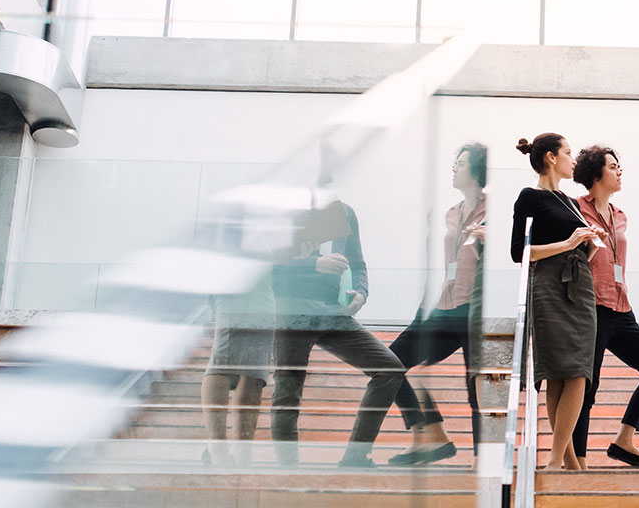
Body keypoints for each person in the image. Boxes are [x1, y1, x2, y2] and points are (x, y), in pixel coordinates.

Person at [268, 200, 409, 469]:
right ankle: (288, 473)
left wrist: (361, 293)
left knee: (390, 369)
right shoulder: (288, 209)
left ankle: (356, 457)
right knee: (287, 393)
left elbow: (358, 263)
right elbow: (271, 265)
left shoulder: (345, 212)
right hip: (292, 310)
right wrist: (314, 263)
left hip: (334, 312)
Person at [384, 143, 489, 466]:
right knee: (388, 363)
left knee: (477, 385)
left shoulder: (495, 211)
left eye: (460, 164)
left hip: (474, 310)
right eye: (454, 163)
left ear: (476, 171)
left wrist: (490, 240)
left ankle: (482, 457)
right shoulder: (451, 213)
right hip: (442, 307)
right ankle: (431, 435)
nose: (454, 169)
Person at [510, 133, 604, 471]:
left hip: (580, 284)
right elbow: (519, 252)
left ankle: (564, 461)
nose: (572, 159)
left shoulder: (570, 201)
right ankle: (558, 460)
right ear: (551, 157)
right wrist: (568, 243)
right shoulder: (529, 196)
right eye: (567, 152)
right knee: (557, 373)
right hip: (548, 283)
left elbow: (578, 247)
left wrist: (590, 242)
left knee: (578, 371)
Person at [570, 146, 639, 467]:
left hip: (621, 308)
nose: (619, 171)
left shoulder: (620, 215)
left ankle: (624, 439)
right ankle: (577, 462)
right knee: (585, 386)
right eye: (613, 166)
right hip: (589, 308)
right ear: (596, 174)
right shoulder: (574, 208)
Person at [201, 278, 274, 467]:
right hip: (236, 274)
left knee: (255, 369)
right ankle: (217, 447)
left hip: (264, 283)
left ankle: (242, 450)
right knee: (224, 360)